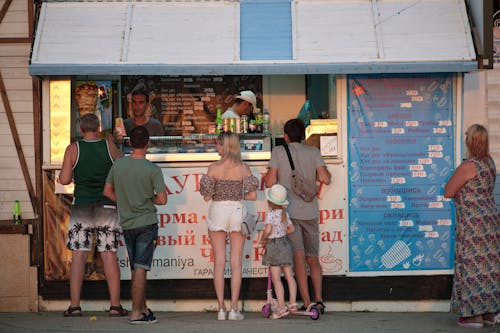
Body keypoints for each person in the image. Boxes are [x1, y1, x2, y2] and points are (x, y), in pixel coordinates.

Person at [58, 113, 127, 317]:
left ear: (81, 130)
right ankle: (115, 306)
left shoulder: (73, 148)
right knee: (109, 255)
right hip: (107, 204)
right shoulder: (108, 145)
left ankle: (75, 306)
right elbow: (123, 165)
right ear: (98, 128)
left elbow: (64, 179)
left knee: (79, 256)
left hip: (82, 205)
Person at [264, 118, 331, 313]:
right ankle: (319, 300)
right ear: (303, 136)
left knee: (299, 257)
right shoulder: (313, 152)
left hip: (289, 214)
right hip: (310, 211)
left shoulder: (278, 151)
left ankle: (307, 302)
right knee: (313, 258)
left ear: (285, 136)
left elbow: (269, 182)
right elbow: (325, 178)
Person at [103, 126, 167, 325]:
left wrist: (123, 202)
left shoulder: (119, 165)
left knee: (136, 268)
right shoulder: (152, 170)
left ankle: (144, 308)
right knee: (141, 268)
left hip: (127, 222)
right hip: (146, 223)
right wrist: (150, 200)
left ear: (130, 143)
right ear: (148, 143)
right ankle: (136, 313)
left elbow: (107, 191)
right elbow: (163, 199)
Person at [444, 124, 500, 328]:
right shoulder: (490, 162)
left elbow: (448, 191)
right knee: (489, 267)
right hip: (491, 221)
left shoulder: (469, 166)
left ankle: (472, 316)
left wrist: (460, 193)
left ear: (470, 141)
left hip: (473, 223)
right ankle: (489, 313)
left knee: (471, 265)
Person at [199, 131, 259, 320]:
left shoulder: (213, 168)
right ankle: (234, 309)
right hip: (237, 212)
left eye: (218, 144)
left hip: (218, 211)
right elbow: (253, 195)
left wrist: (219, 193)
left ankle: (221, 309)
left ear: (225, 146)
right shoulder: (243, 168)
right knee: (236, 263)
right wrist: (236, 193)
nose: (216, 147)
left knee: (219, 262)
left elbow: (207, 196)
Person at [259, 184, 297, 319]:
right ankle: (292, 303)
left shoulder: (270, 215)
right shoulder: (284, 214)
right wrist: (282, 232)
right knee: (289, 276)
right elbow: (291, 230)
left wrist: (263, 239)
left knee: (276, 280)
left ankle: (281, 308)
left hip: (274, 247)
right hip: (285, 244)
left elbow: (268, 230)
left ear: (270, 201)